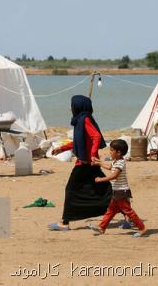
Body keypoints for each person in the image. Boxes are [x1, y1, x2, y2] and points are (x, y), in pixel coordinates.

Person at [48, 95, 112, 231]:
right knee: (103, 187)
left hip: (86, 162)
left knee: (71, 189)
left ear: (77, 106)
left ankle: (65, 223)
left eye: (72, 105)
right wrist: (62, 148)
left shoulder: (85, 119)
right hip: (87, 162)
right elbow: (79, 141)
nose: (70, 108)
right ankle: (126, 213)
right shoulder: (80, 120)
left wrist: (94, 154)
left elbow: (96, 136)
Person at [90, 139, 147, 238]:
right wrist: (99, 163)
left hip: (121, 191)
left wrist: (101, 179)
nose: (110, 152)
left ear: (119, 152)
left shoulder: (120, 162)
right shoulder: (116, 161)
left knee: (128, 211)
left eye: (112, 150)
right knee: (110, 211)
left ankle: (142, 228)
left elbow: (114, 175)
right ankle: (101, 228)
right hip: (116, 191)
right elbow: (109, 167)